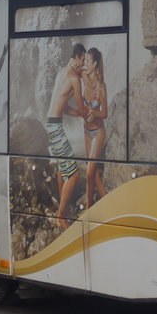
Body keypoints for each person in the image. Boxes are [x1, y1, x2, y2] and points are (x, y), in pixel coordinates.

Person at [48, 43, 87, 226]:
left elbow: (65, 108)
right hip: (56, 127)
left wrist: (79, 114)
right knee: (74, 174)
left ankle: (62, 205)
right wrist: (90, 114)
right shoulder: (73, 77)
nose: (84, 64)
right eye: (83, 60)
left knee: (62, 169)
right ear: (77, 57)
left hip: (52, 124)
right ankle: (61, 217)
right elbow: (80, 105)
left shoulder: (61, 73)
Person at [82, 47, 108, 209]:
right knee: (95, 175)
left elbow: (104, 113)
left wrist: (94, 112)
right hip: (85, 131)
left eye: (88, 61)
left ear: (95, 63)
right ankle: (107, 202)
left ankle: (89, 207)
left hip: (98, 132)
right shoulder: (84, 78)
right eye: (84, 60)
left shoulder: (101, 87)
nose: (85, 63)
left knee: (90, 172)